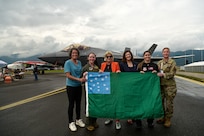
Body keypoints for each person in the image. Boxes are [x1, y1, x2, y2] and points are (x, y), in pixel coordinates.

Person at [64, 48, 86, 132]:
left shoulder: (79, 62)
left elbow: (80, 73)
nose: (74, 54)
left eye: (76, 53)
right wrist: (79, 80)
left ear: (78, 54)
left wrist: (84, 74)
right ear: (70, 54)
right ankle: (71, 122)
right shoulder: (68, 63)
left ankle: (78, 119)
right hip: (71, 86)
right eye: (73, 53)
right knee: (71, 104)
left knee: (78, 104)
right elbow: (68, 75)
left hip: (78, 86)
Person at [136, 50, 159, 129]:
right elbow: (134, 77)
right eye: (146, 55)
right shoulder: (140, 65)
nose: (147, 56)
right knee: (139, 105)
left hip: (151, 89)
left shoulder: (155, 65)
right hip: (141, 89)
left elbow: (160, 74)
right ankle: (138, 123)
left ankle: (150, 122)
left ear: (150, 56)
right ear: (143, 56)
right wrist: (139, 74)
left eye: (148, 55)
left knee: (151, 105)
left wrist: (157, 73)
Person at [99, 51, 121, 130]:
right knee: (107, 103)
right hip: (106, 87)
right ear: (105, 58)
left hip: (114, 86)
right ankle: (109, 117)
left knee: (116, 103)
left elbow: (118, 72)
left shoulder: (116, 64)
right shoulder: (102, 65)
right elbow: (100, 75)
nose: (109, 58)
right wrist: (100, 72)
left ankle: (117, 121)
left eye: (110, 56)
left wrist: (118, 72)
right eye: (107, 57)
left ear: (112, 57)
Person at [157, 47, 177, 128]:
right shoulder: (159, 62)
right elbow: (157, 71)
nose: (165, 53)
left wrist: (164, 74)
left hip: (170, 86)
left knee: (169, 103)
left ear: (169, 53)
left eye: (167, 52)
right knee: (160, 102)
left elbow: (172, 73)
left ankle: (168, 119)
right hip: (161, 85)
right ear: (162, 53)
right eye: (164, 52)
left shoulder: (172, 62)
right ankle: (162, 116)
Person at [82, 52, 100, 131]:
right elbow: (81, 79)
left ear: (95, 58)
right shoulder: (85, 67)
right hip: (89, 90)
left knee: (95, 105)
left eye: (93, 57)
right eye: (90, 57)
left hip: (96, 89)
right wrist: (84, 75)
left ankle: (94, 121)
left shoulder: (96, 67)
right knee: (89, 106)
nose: (92, 58)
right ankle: (88, 123)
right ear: (88, 58)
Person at [119, 50, 138, 125]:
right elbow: (120, 74)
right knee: (128, 101)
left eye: (129, 54)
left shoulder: (136, 64)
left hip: (135, 85)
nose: (128, 56)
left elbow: (139, 71)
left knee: (135, 101)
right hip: (126, 86)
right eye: (126, 55)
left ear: (131, 55)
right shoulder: (122, 64)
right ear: (124, 56)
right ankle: (129, 116)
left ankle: (135, 115)